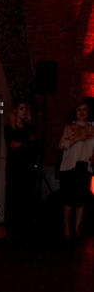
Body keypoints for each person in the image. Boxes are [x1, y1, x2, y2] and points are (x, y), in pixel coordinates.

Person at [58, 100, 94, 237]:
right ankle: (67, 228)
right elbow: (62, 145)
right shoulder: (69, 128)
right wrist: (76, 139)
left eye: (84, 110)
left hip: (85, 166)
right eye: (79, 110)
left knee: (81, 199)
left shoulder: (92, 129)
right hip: (70, 166)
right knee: (69, 198)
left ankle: (77, 228)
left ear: (88, 113)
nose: (82, 113)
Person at [4, 100, 38, 238]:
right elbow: (13, 145)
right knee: (13, 194)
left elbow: (33, 145)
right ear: (15, 111)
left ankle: (25, 225)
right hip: (14, 166)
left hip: (27, 166)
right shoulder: (9, 128)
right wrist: (27, 142)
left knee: (27, 194)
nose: (24, 111)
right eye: (21, 108)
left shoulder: (30, 128)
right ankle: (12, 225)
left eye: (25, 109)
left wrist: (24, 143)